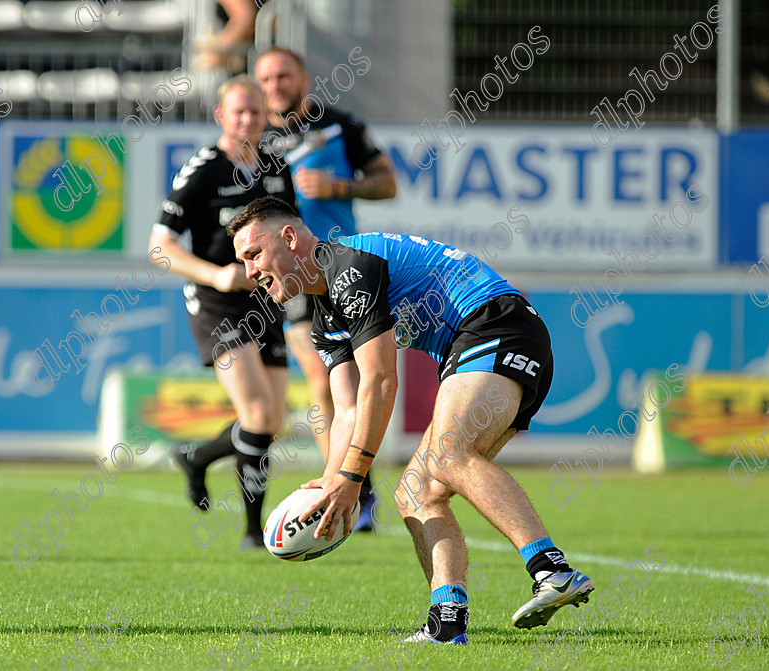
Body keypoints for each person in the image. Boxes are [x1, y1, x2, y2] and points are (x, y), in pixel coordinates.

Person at [228, 196, 595, 642]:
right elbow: (347, 408)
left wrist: (353, 476)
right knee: (415, 493)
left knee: (448, 455)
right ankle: (447, 622)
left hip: (498, 327)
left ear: (289, 237)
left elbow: (381, 383)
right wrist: (331, 483)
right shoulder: (326, 320)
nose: (249, 271)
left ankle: (552, 571)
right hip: (480, 343)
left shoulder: (350, 267)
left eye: (253, 254)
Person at [148, 77, 296, 549]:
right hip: (215, 301)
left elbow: (288, 232)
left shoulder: (276, 165)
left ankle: (195, 457)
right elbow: (160, 247)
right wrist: (215, 276)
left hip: (264, 299)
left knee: (270, 421)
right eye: (238, 113)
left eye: (255, 112)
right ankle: (255, 533)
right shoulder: (201, 170)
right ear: (221, 116)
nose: (248, 120)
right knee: (255, 412)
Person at [253, 46, 398, 531]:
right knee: (322, 382)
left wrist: (338, 188)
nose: (274, 85)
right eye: (266, 79)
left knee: (357, 381)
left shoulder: (341, 126)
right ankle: (353, 489)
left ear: (304, 78)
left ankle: (352, 485)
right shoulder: (256, 141)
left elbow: (388, 183)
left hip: (346, 267)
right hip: (295, 274)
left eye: (282, 76)